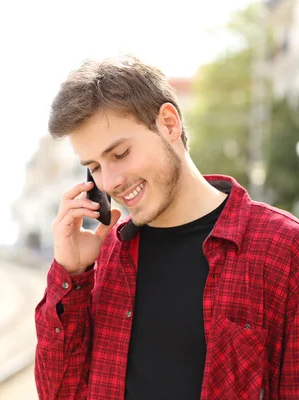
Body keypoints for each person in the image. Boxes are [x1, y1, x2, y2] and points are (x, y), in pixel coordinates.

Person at [34, 55, 299, 400]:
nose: (111, 181)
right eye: (95, 166)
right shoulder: (104, 258)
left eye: (120, 154)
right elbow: (59, 394)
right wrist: (72, 273)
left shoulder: (282, 248)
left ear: (169, 124)